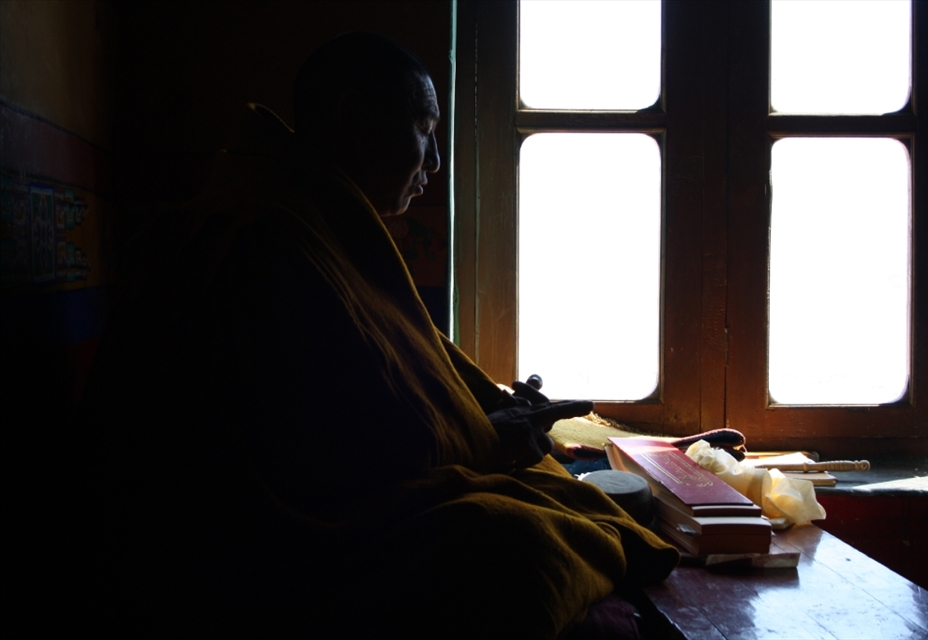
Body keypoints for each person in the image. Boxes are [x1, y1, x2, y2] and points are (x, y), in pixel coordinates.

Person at [74, 32, 678, 637]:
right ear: (354, 122)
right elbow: (326, 458)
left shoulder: (321, 226)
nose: (435, 162)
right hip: (250, 548)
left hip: (333, 506)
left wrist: (487, 409)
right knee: (505, 543)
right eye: (425, 128)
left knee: (543, 492)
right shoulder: (268, 239)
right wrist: (486, 436)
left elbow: (398, 382)